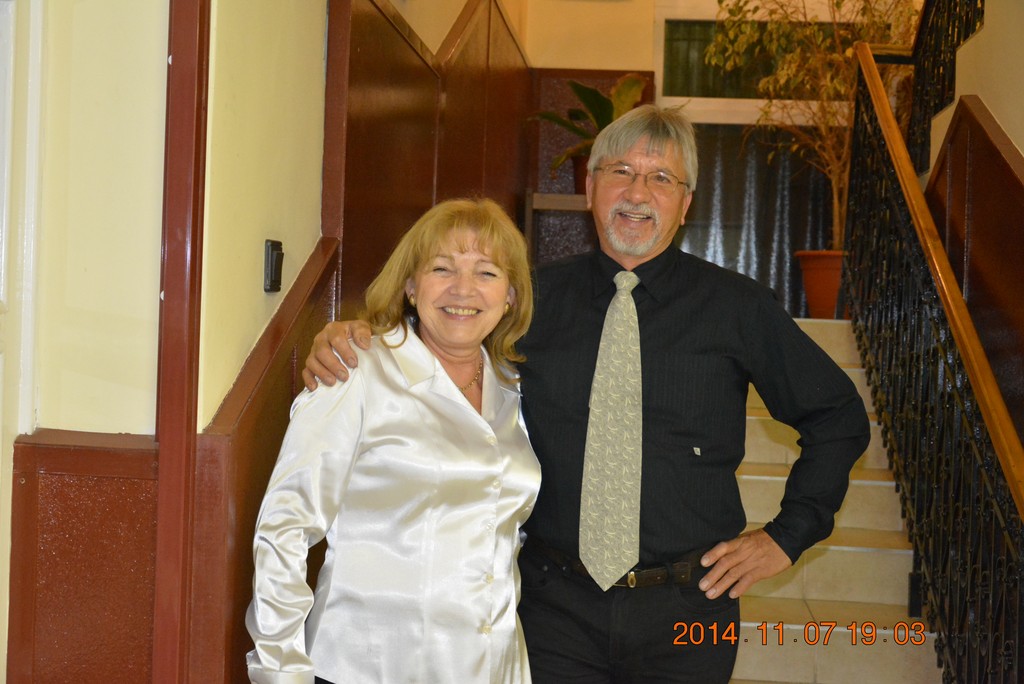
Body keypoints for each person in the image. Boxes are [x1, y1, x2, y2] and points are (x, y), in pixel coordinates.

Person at [301, 105, 871, 683]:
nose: (637, 192)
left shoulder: (738, 307)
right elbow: (443, 334)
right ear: (591, 188)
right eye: (620, 171)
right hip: (553, 609)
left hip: (691, 610)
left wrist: (786, 537)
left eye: (661, 178)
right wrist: (361, 339)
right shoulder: (529, 301)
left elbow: (838, 416)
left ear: (686, 204)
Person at [246, 198, 540, 684]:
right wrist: (281, 669)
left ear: (510, 295)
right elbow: (285, 526)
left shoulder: (511, 388)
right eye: (442, 268)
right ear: (410, 285)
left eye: (486, 273)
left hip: (493, 668)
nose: (463, 288)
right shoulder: (354, 370)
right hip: (368, 666)